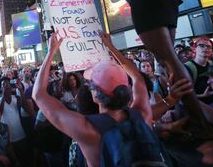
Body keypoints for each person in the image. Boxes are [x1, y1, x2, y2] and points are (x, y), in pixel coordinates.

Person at [71, 0, 213, 138]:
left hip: (144, 0)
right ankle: (188, 114)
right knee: (167, 60)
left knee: (171, 60)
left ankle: (201, 125)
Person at [33, 32, 170, 166]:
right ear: (126, 89)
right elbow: (137, 77)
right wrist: (111, 47)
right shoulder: (142, 115)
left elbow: (38, 94)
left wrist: (51, 52)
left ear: (95, 95)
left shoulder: (87, 130)